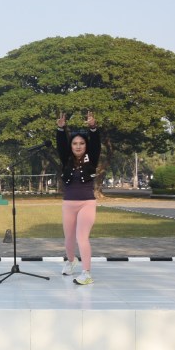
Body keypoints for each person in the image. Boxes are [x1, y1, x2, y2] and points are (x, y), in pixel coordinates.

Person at [57, 110, 100, 286]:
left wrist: (93, 128)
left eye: (82, 143)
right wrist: (61, 129)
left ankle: (86, 273)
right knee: (68, 237)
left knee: (81, 237)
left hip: (87, 203)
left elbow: (96, 144)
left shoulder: (92, 158)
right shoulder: (66, 159)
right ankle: (71, 260)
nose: (78, 146)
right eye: (75, 143)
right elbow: (61, 145)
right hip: (68, 203)